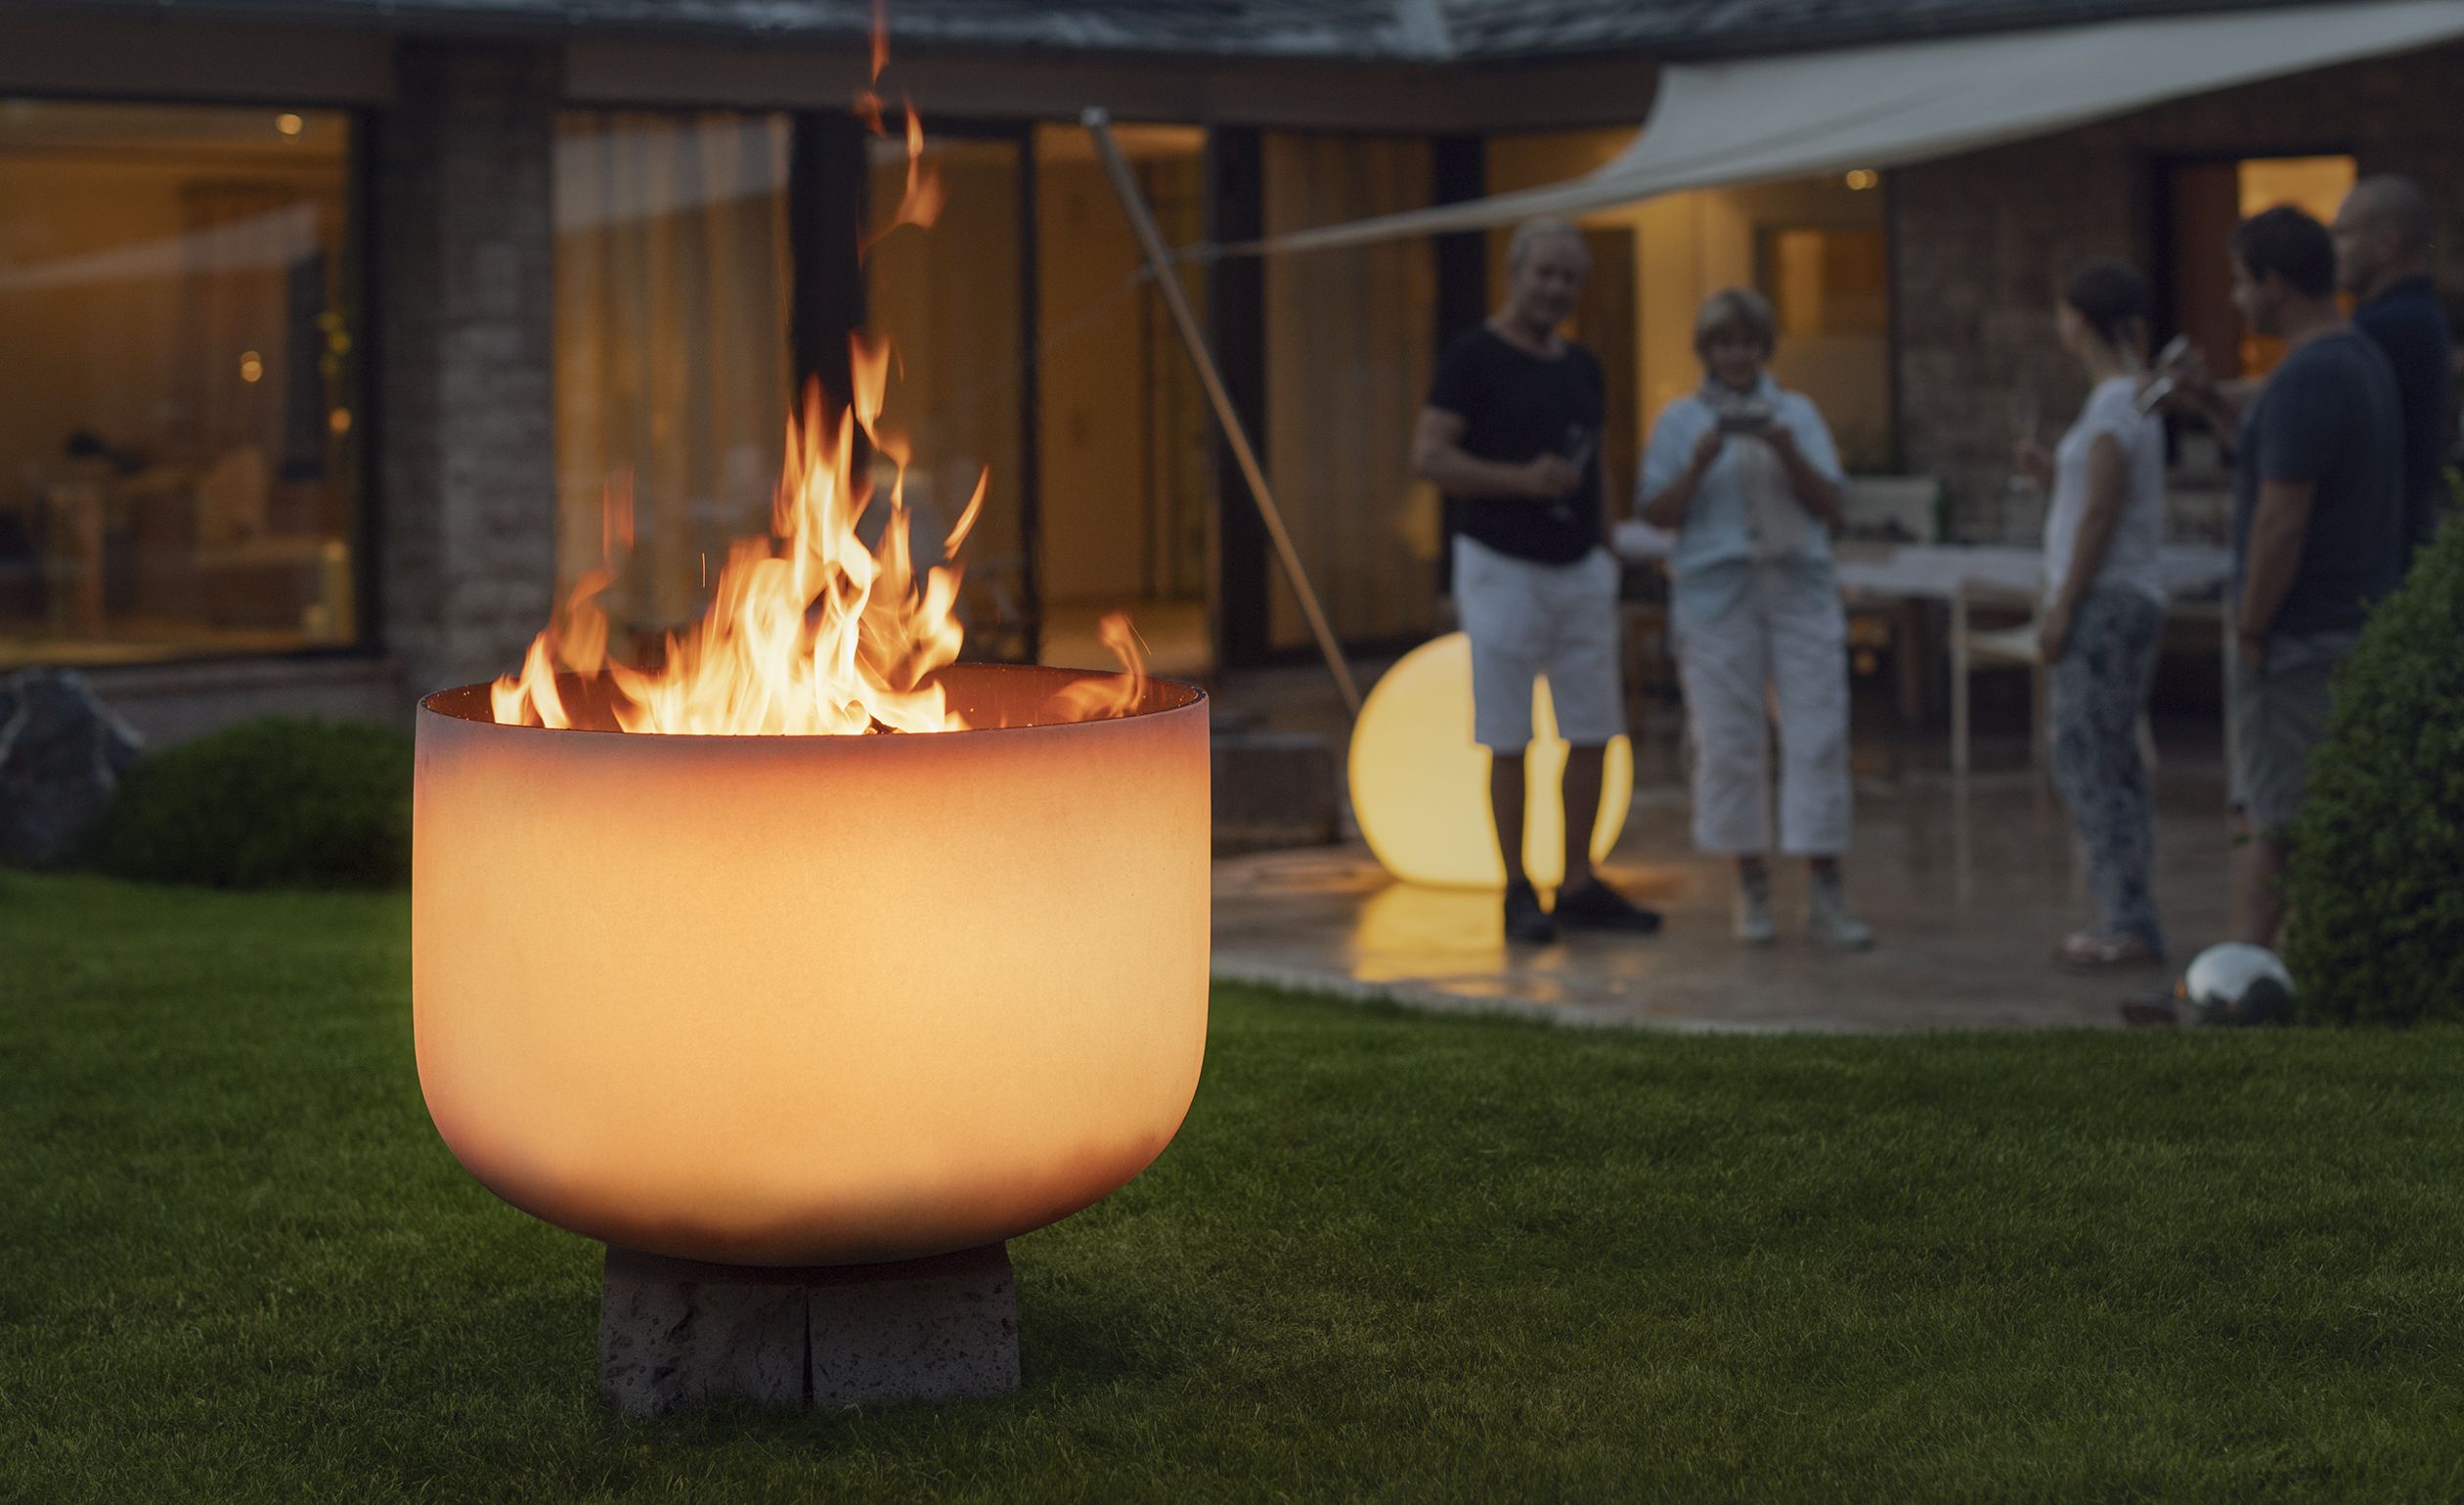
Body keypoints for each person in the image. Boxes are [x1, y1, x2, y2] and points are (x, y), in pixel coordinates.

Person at [1411, 218, 1661, 945]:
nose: (1555, 289)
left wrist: (1611, 548)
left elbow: (1599, 464)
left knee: (1592, 729)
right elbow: (1429, 456)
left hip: (1580, 568)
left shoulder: (1582, 366)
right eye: (1543, 273)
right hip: (1501, 565)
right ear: (1514, 274)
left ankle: (1577, 880)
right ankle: (1517, 889)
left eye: (1568, 278)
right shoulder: (1473, 357)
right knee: (1509, 734)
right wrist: (1519, 481)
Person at [2169, 206, 2407, 949]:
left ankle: (2245, 977)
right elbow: (2278, 454)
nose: (2235, 299)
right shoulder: (2356, 355)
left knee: (2271, 813)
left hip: (2298, 634)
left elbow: (2282, 521)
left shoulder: (2307, 376)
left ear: (2275, 284)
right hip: (2348, 621)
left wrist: (2249, 626)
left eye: (2241, 283)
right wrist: (2209, 399)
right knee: (2310, 807)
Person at [1638, 288, 1872, 949]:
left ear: (1762, 347)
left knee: (1818, 732)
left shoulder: (1796, 412)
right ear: (1707, 351)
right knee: (1729, 740)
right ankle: (1751, 882)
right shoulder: (1680, 420)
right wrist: (1701, 463)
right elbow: (1655, 512)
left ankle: (1825, 887)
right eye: (1723, 344)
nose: (1736, 355)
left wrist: (1787, 450)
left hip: (1797, 587)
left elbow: (1833, 503)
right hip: (1717, 594)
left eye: (1746, 342)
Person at [2013, 261, 2170, 968]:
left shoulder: (2113, 405)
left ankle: (2124, 919)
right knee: (2110, 759)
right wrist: (2055, 474)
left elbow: (2103, 510)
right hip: (2126, 595)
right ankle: (2128, 911)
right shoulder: (2129, 400)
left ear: (2078, 317)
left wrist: (2062, 605)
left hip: (2104, 601)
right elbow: (2102, 492)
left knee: (2086, 760)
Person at [2333, 176, 2455, 554]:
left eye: (2344, 235)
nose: (2334, 251)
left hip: (2381, 551)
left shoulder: (2391, 325)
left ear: (2387, 243)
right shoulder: (2411, 314)